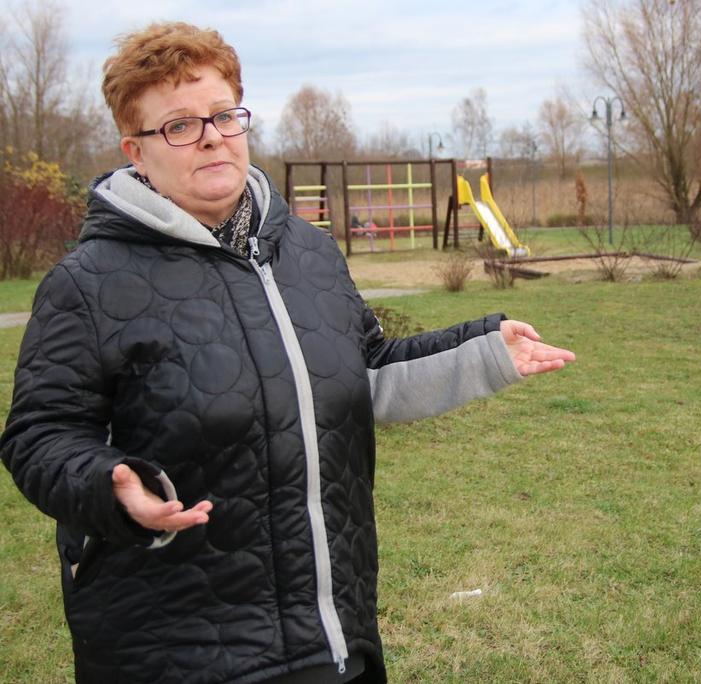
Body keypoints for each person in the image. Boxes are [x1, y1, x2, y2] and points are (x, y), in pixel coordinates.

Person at [0, 22, 574, 684]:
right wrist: (111, 486)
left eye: (223, 115)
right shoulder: (88, 282)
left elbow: (363, 372)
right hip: (174, 651)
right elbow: (39, 435)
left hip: (332, 638)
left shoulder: (308, 251)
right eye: (179, 126)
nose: (212, 135)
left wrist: (483, 354)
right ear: (137, 151)